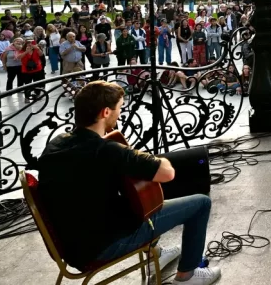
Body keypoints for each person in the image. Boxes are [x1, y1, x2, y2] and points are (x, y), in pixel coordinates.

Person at [37, 81, 220, 285]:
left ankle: (155, 255)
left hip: (72, 246)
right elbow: (167, 173)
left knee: (141, 200)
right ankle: (188, 276)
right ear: (106, 112)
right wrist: (142, 157)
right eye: (119, 108)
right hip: (102, 246)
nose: (120, 113)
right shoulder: (107, 151)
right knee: (201, 203)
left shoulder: (56, 144)